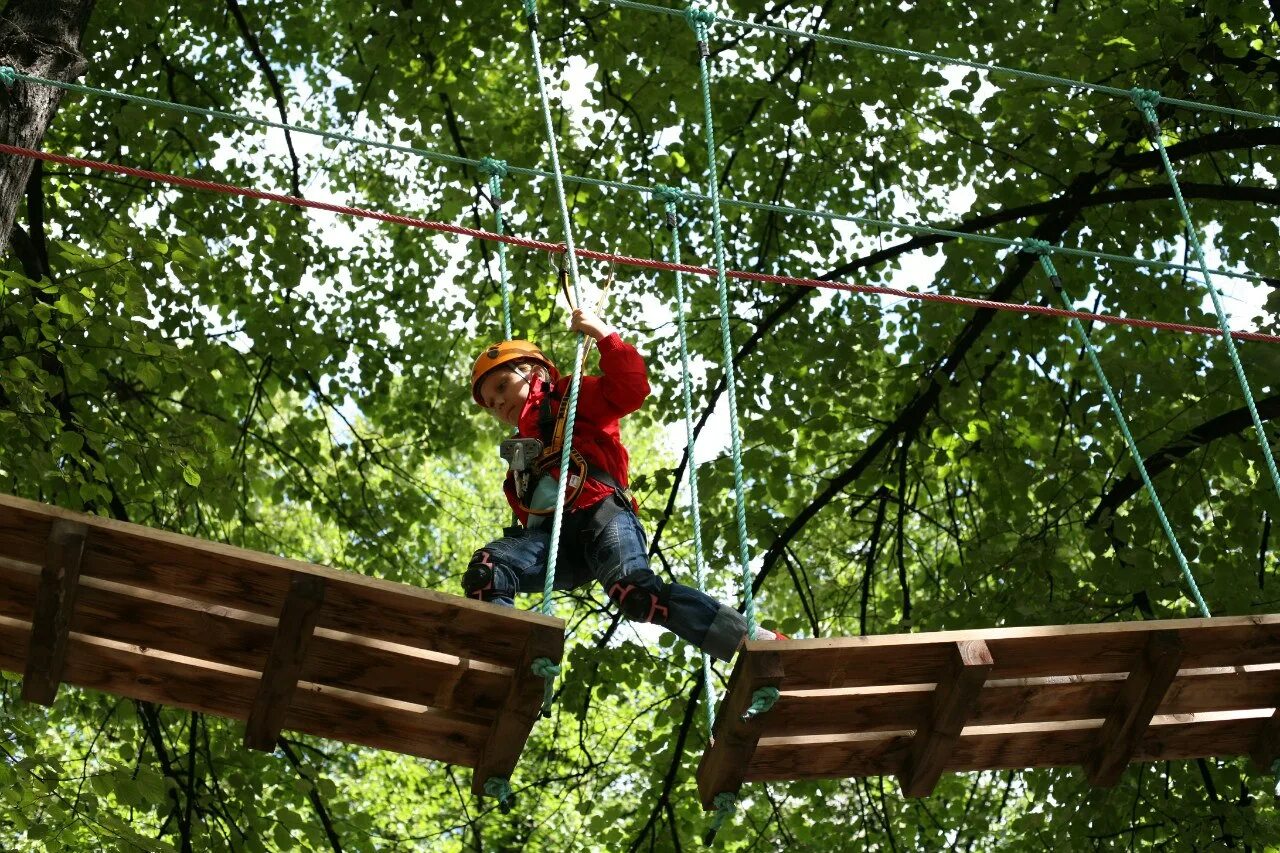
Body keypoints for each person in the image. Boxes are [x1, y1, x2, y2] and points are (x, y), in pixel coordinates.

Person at [462, 307, 780, 661]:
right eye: (491, 403)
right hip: (555, 543)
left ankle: (752, 641)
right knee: (488, 569)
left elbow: (629, 390)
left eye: (502, 387)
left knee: (636, 593)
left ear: (534, 372)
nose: (499, 402)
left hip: (600, 516)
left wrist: (604, 336)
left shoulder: (571, 397)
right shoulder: (520, 460)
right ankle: (500, 658)